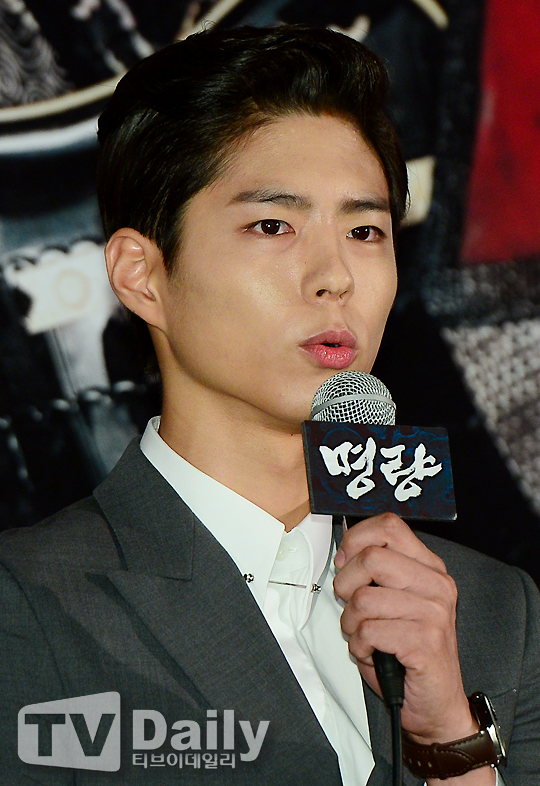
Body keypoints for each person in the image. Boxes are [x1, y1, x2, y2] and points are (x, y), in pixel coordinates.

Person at [0, 24, 538, 786]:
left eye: (365, 230)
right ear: (142, 275)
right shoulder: (27, 602)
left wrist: (450, 740)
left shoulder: (496, 613)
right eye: (273, 226)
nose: (335, 276)